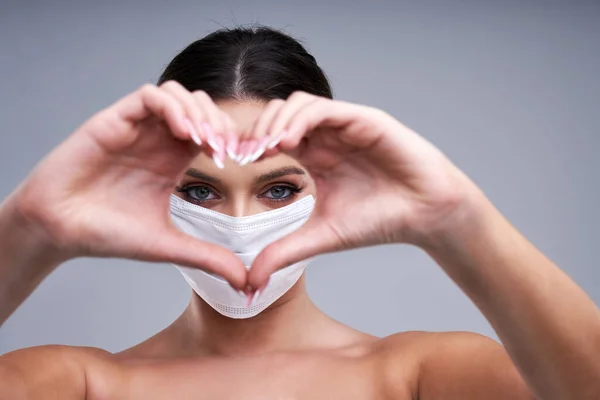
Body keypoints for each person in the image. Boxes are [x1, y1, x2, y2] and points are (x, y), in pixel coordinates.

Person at [0, 26, 598, 400]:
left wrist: (456, 217)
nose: (239, 224)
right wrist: (28, 228)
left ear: (330, 189)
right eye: (202, 192)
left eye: (279, 190)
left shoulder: (419, 376)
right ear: (158, 195)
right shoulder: (74, 385)